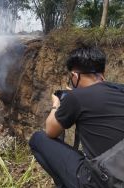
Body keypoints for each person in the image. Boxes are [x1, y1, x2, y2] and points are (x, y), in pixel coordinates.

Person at [28, 46, 124, 188]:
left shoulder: (75, 97)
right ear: (102, 72)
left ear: (75, 75)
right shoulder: (120, 90)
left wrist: (56, 105)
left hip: (103, 181)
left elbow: (50, 131)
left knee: (38, 138)